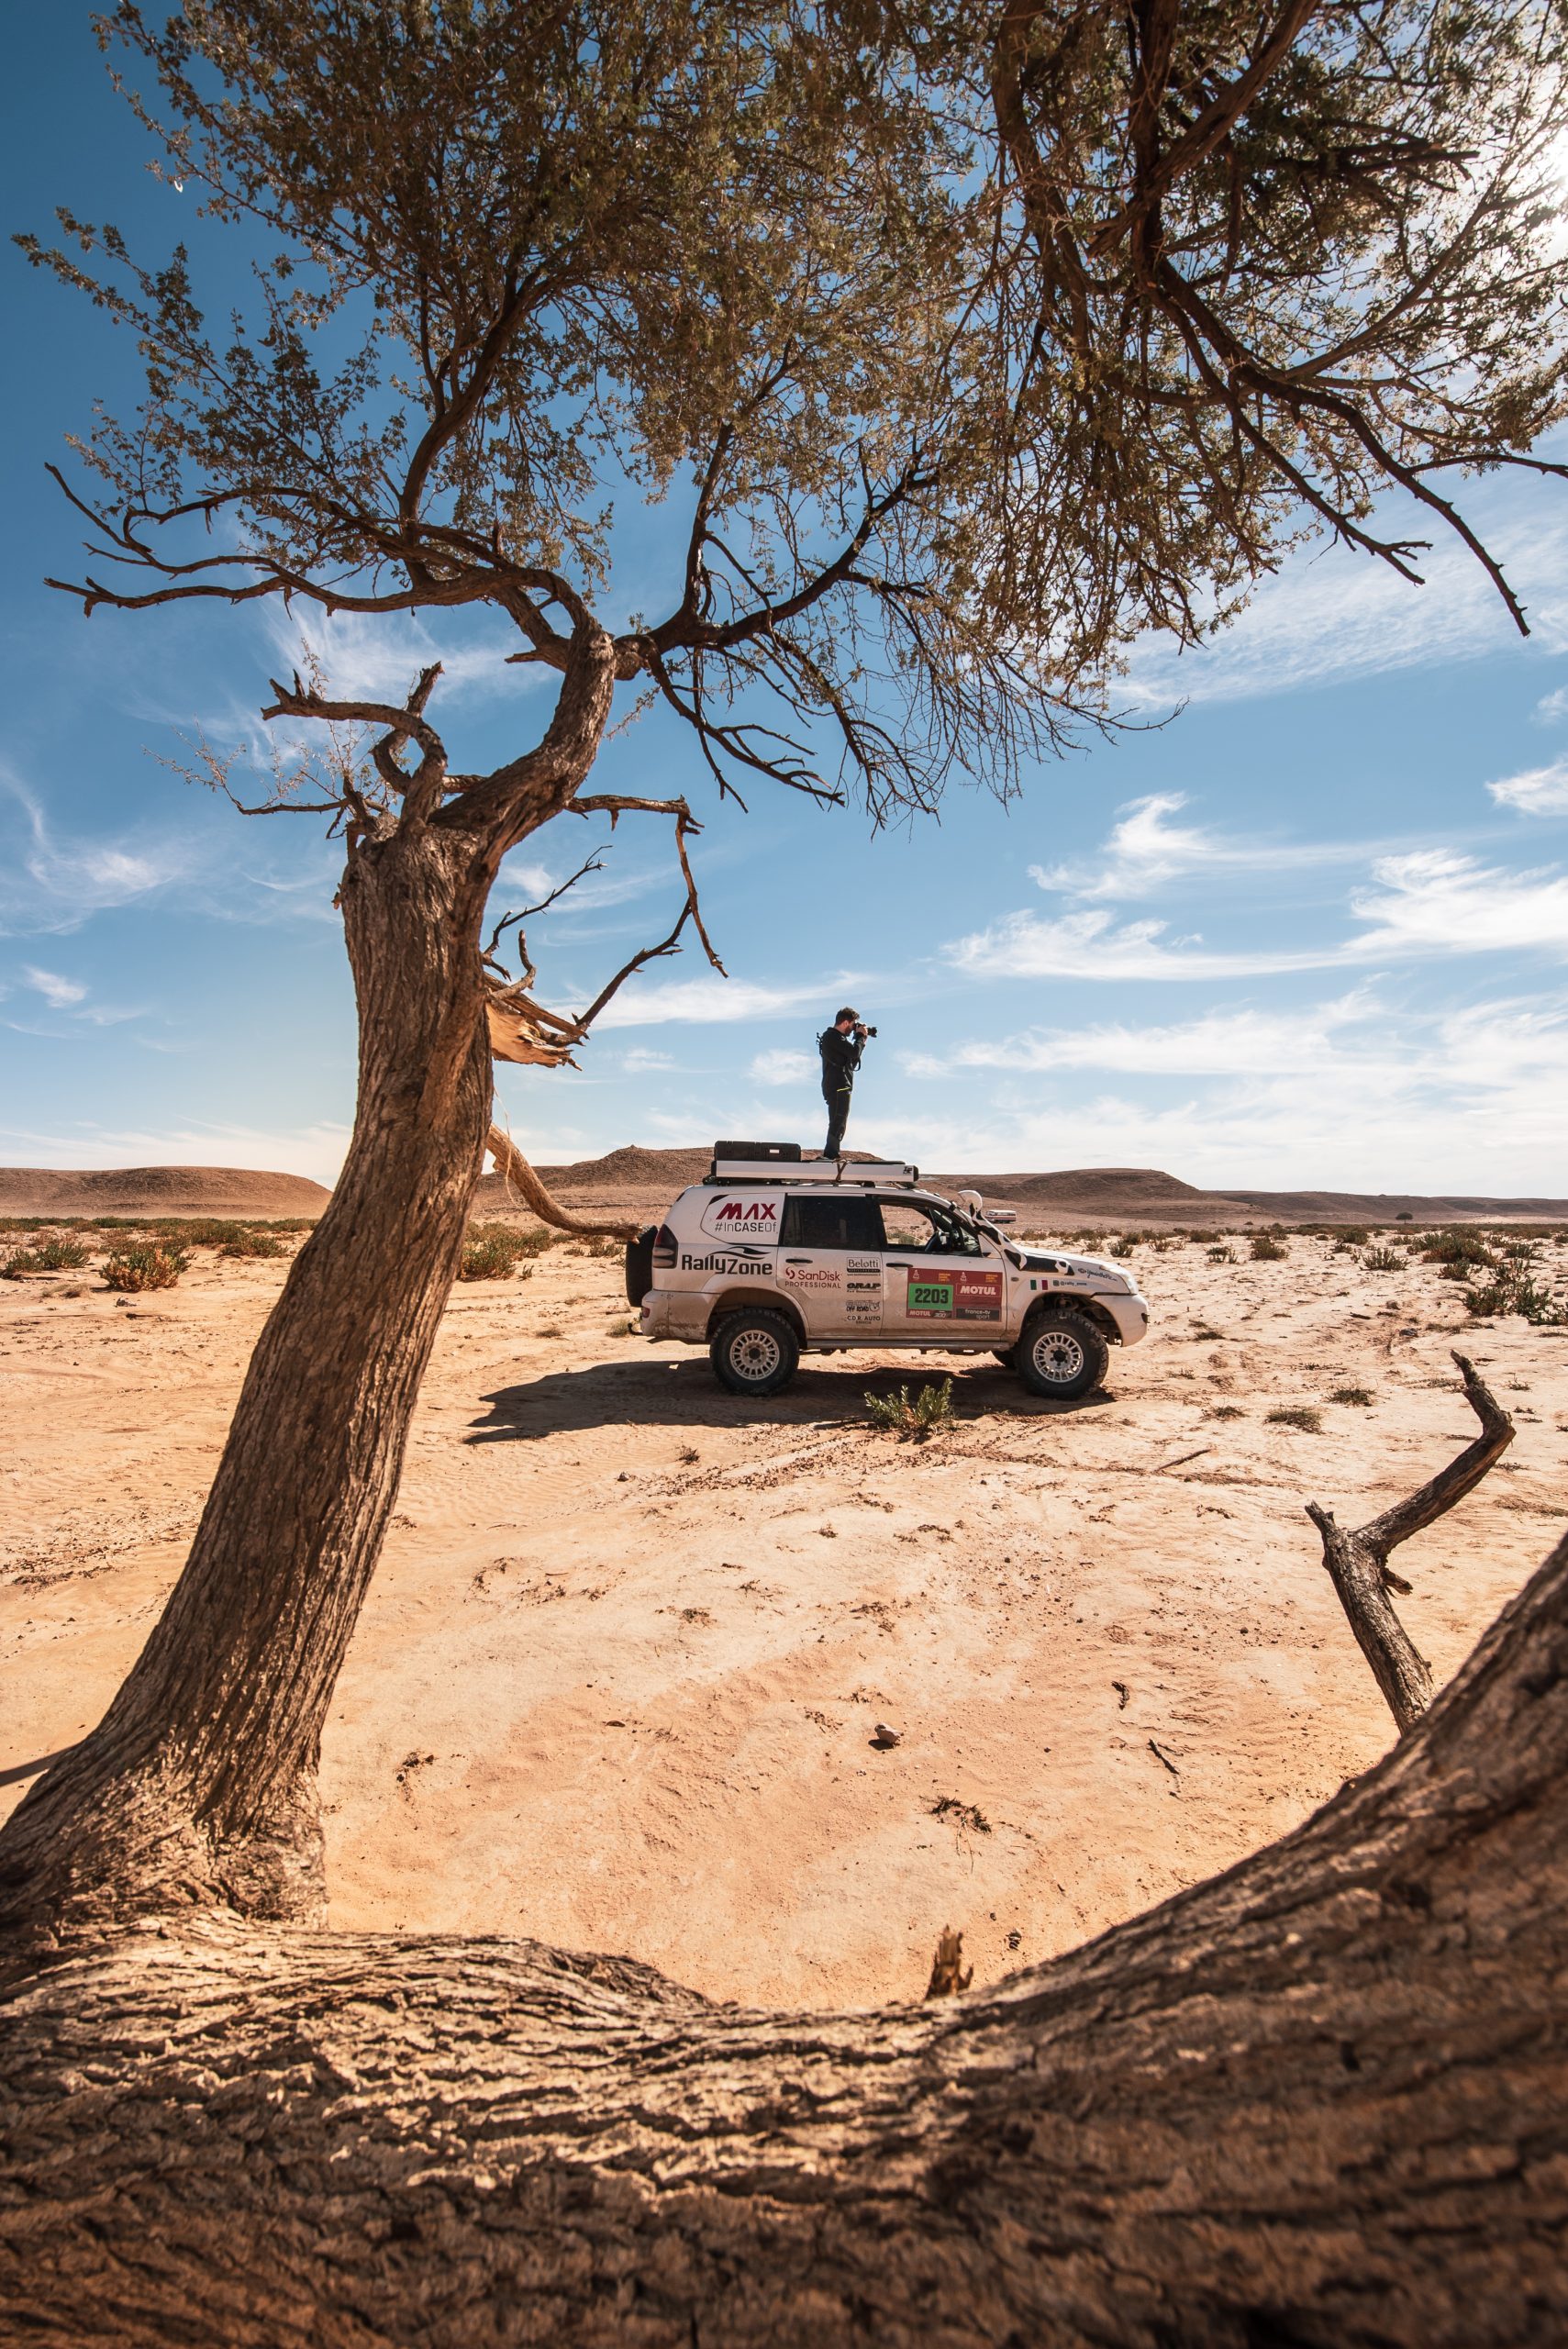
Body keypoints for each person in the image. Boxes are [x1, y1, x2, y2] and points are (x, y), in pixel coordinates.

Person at [818, 1006, 870, 1158]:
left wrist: (862, 1042)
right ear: (846, 1022)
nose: (854, 1028)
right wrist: (860, 1037)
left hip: (839, 1084)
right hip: (838, 1085)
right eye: (854, 1025)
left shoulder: (836, 1039)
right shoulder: (832, 1036)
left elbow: (851, 1063)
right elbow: (854, 1052)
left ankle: (831, 1153)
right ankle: (831, 1154)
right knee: (838, 1119)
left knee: (838, 1119)